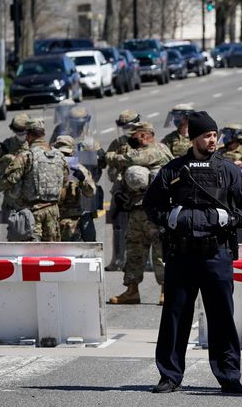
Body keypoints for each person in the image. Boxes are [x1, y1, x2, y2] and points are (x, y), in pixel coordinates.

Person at [143, 111, 242, 394]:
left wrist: (232, 220)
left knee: (222, 317)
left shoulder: (228, 169)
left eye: (214, 134)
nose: (212, 140)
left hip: (216, 254)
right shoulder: (173, 170)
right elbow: (152, 205)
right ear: (193, 138)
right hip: (181, 255)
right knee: (175, 316)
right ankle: (169, 375)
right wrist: (169, 218)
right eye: (207, 135)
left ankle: (229, 375)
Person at [106, 122, 173, 305]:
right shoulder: (153, 149)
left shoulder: (154, 150)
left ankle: (165, 291)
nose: (131, 140)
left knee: (160, 252)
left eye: (134, 136)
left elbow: (127, 160)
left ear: (143, 136)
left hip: (155, 209)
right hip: (137, 207)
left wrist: (111, 155)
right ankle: (132, 290)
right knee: (134, 249)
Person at [0, 118, 69, 241]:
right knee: (52, 253)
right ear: (43, 134)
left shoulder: (26, 156)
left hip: (32, 214)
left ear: (28, 135)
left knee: (32, 254)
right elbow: (64, 182)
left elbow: (6, 182)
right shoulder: (59, 156)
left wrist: (0, 177)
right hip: (53, 212)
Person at [105, 110, 142, 272]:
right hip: (121, 189)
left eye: (130, 126)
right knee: (118, 225)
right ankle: (118, 259)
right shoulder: (118, 143)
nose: (127, 130)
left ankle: (144, 260)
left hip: (140, 190)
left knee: (143, 225)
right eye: (124, 127)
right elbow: (109, 164)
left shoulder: (143, 141)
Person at [53, 135, 97, 242]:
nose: (64, 157)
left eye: (66, 154)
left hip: (72, 220)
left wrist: (83, 180)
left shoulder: (79, 168)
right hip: (53, 217)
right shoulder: (50, 168)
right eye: (61, 154)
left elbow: (91, 192)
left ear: (72, 152)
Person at [0, 113, 30, 212]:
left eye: (23, 131)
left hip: (30, 199)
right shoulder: (6, 146)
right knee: (10, 225)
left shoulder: (34, 144)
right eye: (18, 131)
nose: (21, 134)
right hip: (11, 199)